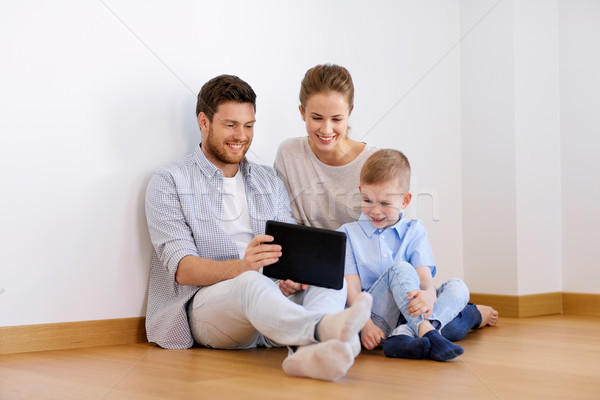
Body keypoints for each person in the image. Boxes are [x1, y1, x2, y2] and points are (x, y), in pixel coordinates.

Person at [144, 74, 372, 381]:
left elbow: (287, 251)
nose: (241, 135)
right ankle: (324, 330)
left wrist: (293, 276)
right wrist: (242, 268)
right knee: (249, 282)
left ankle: (305, 354)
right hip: (210, 307)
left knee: (331, 279)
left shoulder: (269, 180)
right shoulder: (169, 182)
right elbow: (183, 270)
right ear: (204, 121)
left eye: (248, 126)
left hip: (272, 301)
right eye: (230, 125)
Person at [274, 63, 498, 340]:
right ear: (302, 113)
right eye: (316, 118)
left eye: (337, 119)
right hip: (325, 278)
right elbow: (287, 222)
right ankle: (450, 318)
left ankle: (470, 313)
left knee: (433, 319)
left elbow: (391, 232)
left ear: (349, 115)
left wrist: (418, 289)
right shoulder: (289, 153)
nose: (326, 129)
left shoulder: (373, 161)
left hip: (378, 282)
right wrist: (293, 271)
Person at [341, 149, 468, 361]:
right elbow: (351, 290)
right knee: (400, 269)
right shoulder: (347, 234)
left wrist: (428, 295)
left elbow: (426, 282)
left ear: (405, 201)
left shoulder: (414, 231)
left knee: (458, 287)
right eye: (368, 200)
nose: (375, 211)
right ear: (360, 192)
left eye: (385, 203)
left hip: (409, 309)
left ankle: (405, 336)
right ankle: (429, 333)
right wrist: (365, 326)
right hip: (374, 316)